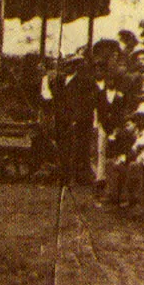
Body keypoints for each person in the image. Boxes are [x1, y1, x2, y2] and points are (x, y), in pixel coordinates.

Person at [52, 50, 96, 186]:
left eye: (71, 64)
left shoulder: (85, 81)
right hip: (62, 120)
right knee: (63, 150)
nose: (67, 67)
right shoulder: (61, 81)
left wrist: (76, 119)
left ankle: (75, 178)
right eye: (66, 64)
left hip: (77, 121)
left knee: (75, 151)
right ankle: (64, 177)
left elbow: (87, 103)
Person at [93, 40, 126, 202]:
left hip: (114, 128)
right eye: (108, 80)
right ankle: (100, 180)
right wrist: (102, 125)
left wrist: (115, 128)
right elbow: (99, 111)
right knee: (101, 152)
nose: (110, 82)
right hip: (103, 126)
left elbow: (120, 113)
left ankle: (112, 184)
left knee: (113, 154)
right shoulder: (101, 94)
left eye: (113, 80)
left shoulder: (119, 96)